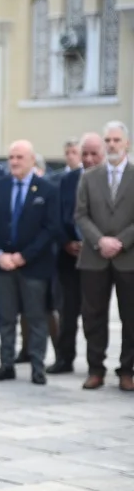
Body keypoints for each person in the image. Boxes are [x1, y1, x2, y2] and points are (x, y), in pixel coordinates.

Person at [0, 140, 60, 385]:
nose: (14, 162)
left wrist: (24, 256)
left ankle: (38, 367)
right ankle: (6, 364)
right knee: (6, 318)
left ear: (32, 160)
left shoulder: (46, 189)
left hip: (34, 266)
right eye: (11, 157)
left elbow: (51, 228)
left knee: (36, 318)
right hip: (3, 265)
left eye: (19, 157)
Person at [74, 120, 134, 391]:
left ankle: (126, 370)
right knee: (93, 315)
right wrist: (100, 241)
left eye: (116, 140)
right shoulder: (89, 177)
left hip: (128, 257)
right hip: (94, 258)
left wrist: (120, 242)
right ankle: (95, 368)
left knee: (130, 316)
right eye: (107, 140)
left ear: (127, 144)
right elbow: (81, 215)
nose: (111, 145)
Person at [48, 132, 104, 374]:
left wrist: (94, 242)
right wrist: (66, 242)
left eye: (94, 154)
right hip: (68, 256)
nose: (89, 159)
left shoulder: (109, 180)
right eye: (85, 154)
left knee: (95, 313)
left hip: (100, 256)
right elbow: (57, 214)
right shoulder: (67, 180)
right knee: (67, 311)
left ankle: (96, 364)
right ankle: (64, 357)